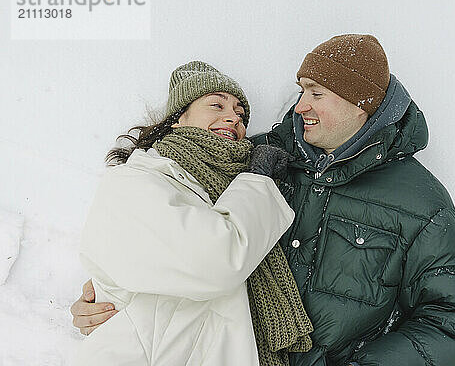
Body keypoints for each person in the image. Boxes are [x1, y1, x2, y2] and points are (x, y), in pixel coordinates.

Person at [72, 35, 455, 365]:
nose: (300, 105)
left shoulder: (420, 203)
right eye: (301, 90)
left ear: (360, 104)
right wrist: (110, 301)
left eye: (316, 93)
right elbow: (171, 239)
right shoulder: (254, 161)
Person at [72, 61, 313, 366]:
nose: (233, 118)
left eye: (240, 115)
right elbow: (218, 261)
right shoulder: (134, 181)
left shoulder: (226, 193)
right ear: (178, 118)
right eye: (216, 104)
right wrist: (258, 181)